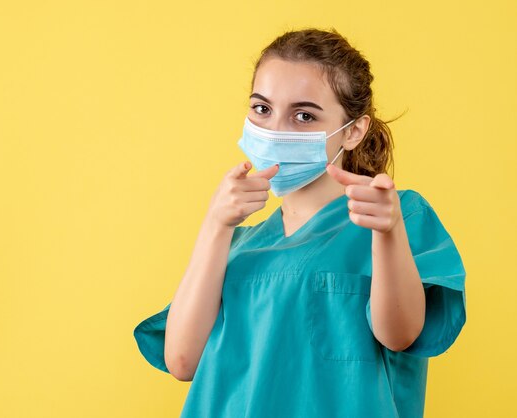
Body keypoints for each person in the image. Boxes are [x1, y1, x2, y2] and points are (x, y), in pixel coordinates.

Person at [133, 27, 467, 418]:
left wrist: (388, 234)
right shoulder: (237, 245)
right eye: (262, 109)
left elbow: (400, 334)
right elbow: (182, 362)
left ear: (354, 130)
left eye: (304, 115)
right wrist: (215, 226)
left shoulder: (398, 218)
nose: (275, 129)